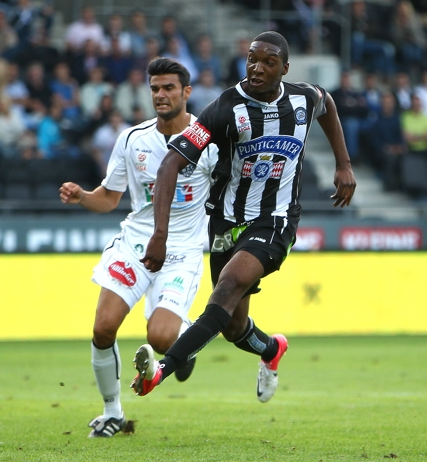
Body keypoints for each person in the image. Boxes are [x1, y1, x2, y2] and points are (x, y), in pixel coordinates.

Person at [131, 31, 356, 404]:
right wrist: (160, 233)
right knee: (234, 326)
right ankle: (271, 349)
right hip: (225, 222)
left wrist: (343, 164)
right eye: (252, 59)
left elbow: (327, 103)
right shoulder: (223, 109)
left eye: (269, 62)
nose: (257, 67)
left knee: (229, 286)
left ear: (284, 68)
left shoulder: (302, 98)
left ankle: (162, 370)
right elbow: (172, 162)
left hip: (275, 220)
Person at [59, 57, 218, 438]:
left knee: (159, 339)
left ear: (186, 92)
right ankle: (112, 412)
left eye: (168, 88)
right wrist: (83, 196)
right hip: (136, 244)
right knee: (103, 327)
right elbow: (109, 198)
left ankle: (185, 337)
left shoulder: (209, 141)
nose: (160, 95)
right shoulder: (133, 139)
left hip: (182, 251)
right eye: (154, 89)